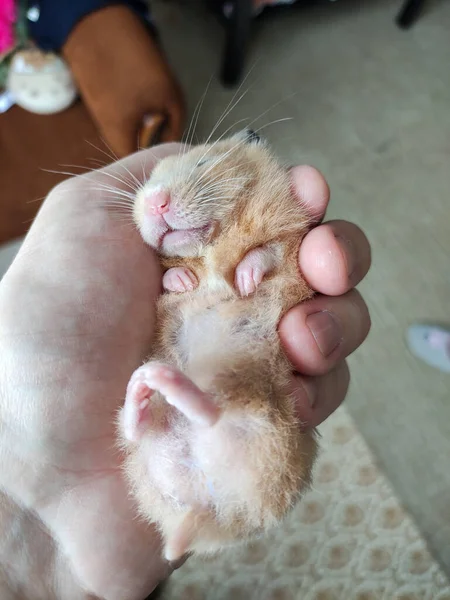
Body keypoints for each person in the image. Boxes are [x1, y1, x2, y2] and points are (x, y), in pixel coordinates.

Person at [0, 143, 371, 600]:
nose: (156, 202)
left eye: (198, 167)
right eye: (146, 195)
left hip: (227, 456)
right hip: (208, 465)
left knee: (236, 394)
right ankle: (185, 415)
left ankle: (170, 416)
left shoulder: (270, 212)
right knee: (231, 397)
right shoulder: (174, 272)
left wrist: (264, 258)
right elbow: (175, 302)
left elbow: (284, 251)